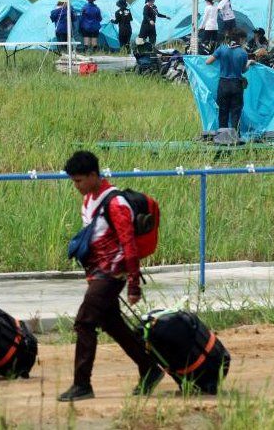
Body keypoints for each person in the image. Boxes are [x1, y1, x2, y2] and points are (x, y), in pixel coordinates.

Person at [58, 151, 163, 402]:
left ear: (94, 175)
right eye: (74, 181)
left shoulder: (116, 204)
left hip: (112, 273)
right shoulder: (87, 201)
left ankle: (82, 384)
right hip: (96, 274)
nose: (76, 186)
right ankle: (149, 368)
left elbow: (129, 244)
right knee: (112, 324)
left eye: (79, 181)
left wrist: (134, 284)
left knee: (84, 323)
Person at [205, 29, 250, 133]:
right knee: (235, 112)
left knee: (223, 111)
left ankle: (222, 135)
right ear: (240, 39)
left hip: (223, 84)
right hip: (236, 85)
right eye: (244, 40)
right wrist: (249, 63)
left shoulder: (222, 49)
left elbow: (208, 62)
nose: (245, 42)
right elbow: (243, 70)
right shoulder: (243, 53)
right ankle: (235, 137)